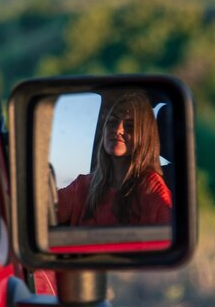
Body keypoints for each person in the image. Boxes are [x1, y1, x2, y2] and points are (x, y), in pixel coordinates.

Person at [57, 91, 172, 226]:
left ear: (144, 136)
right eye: (112, 122)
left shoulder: (153, 191)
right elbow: (43, 212)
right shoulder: (83, 186)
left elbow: (166, 239)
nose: (118, 129)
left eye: (129, 126)